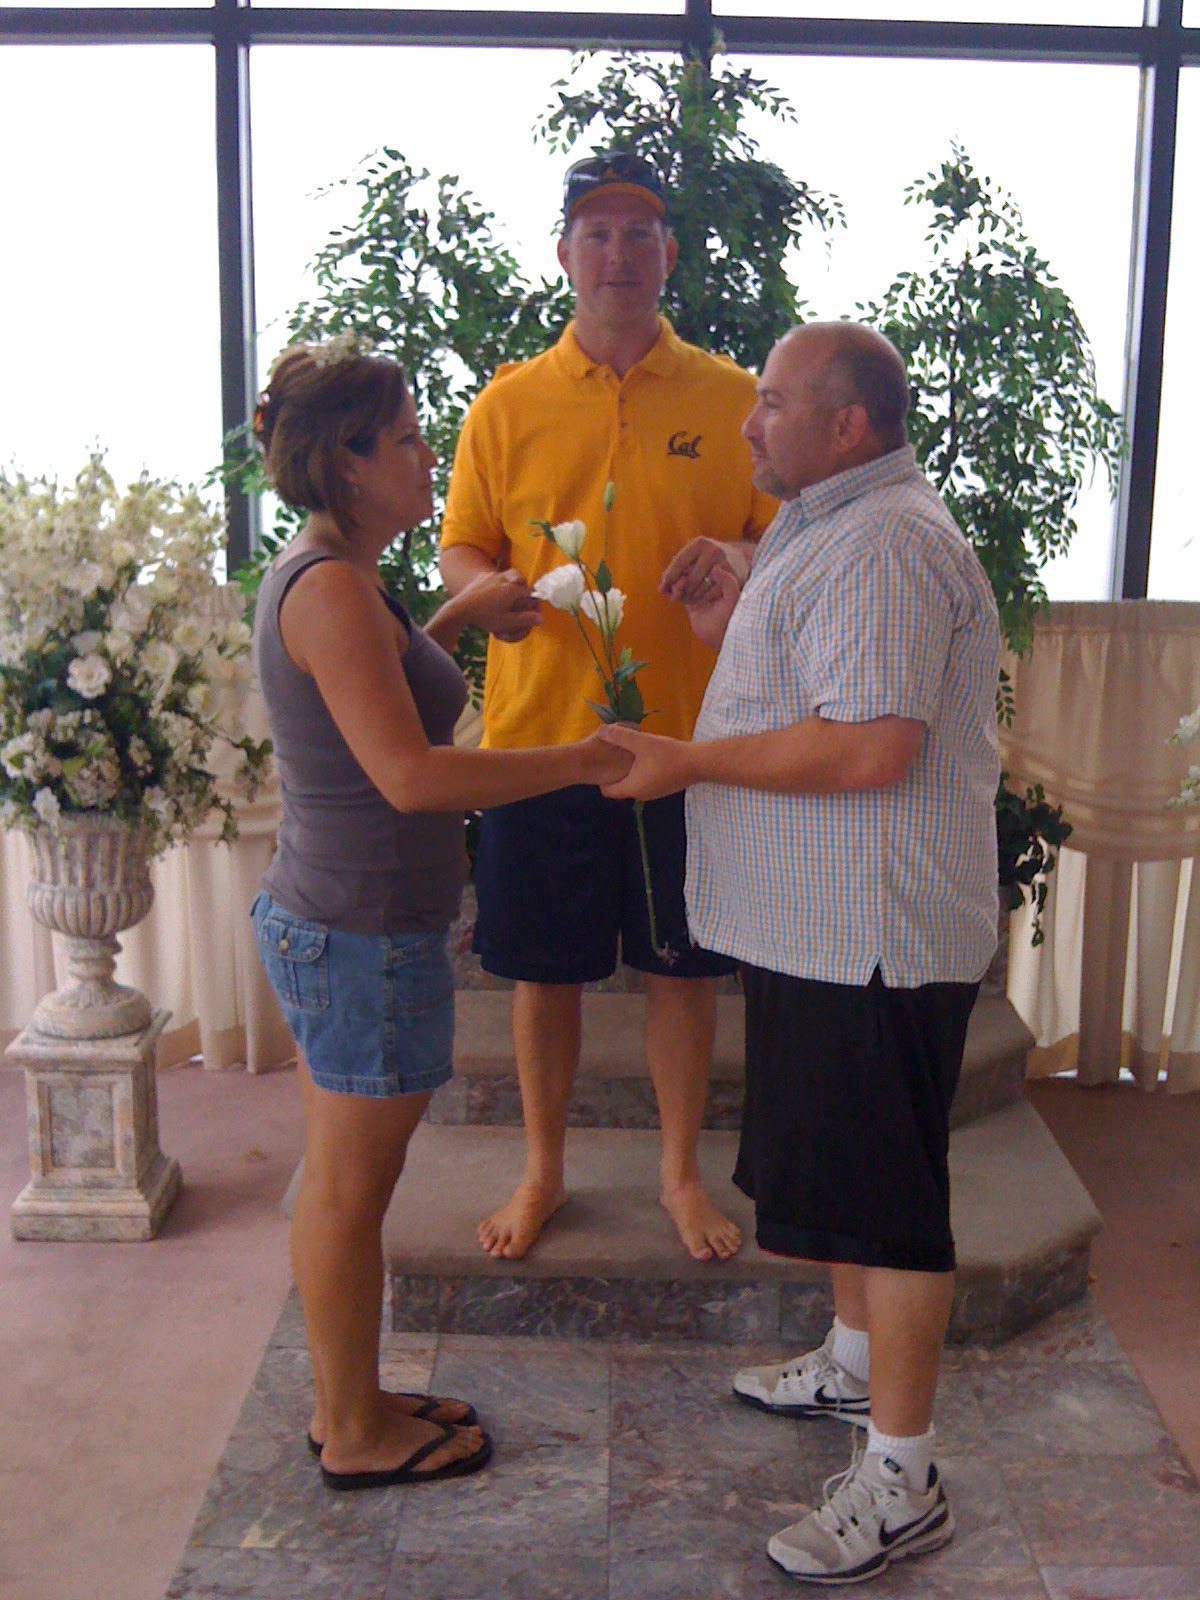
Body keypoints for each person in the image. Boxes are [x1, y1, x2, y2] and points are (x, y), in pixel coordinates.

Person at [599, 321, 1001, 1585]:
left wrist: (688, 758)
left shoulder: (882, 539)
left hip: (871, 934)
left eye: (772, 401)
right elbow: (815, 693)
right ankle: (853, 1362)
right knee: (843, 1182)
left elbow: (873, 741)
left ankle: (905, 1478)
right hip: (822, 925)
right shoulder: (830, 523)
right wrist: (736, 619)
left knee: (889, 1209)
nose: (747, 421)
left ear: (847, 426)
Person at [249, 338, 630, 1492]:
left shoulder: (340, 574)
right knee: (347, 1190)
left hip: (343, 918)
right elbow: (411, 777)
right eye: (410, 440)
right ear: (349, 462)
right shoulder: (329, 590)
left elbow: (381, 690)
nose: (429, 457)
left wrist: (454, 616)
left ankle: (348, 1401)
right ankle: (354, 1432)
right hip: (357, 934)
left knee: (341, 1180)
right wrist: (577, 761)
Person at [439, 150, 778, 1263]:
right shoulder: (506, 405)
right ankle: (543, 1169)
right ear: (564, 254)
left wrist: (735, 554)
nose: (619, 253)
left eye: (640, 233)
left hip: (688, 742)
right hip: (541, 741)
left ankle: (680, 1173)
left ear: (669, 253)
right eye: (597, 233)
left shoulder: (735, 399)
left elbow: (779, 537)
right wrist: (482, 594)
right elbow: (462, 545)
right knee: (544, 972)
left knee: (683, 970)